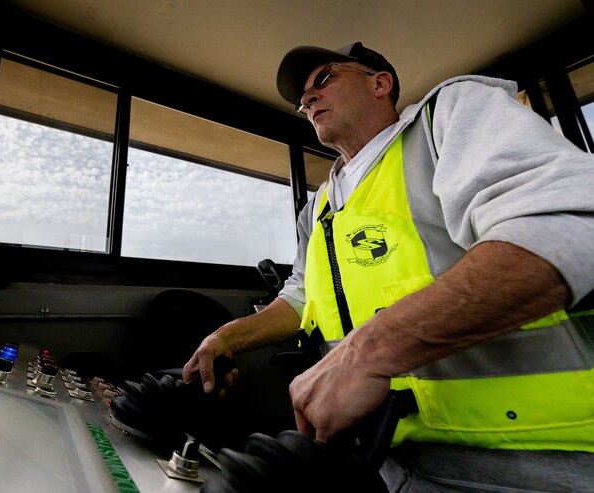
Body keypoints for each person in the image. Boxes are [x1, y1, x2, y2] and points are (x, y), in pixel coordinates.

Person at [183, 41, 594, 491]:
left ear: (380, 83)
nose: (309, 99)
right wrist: (227, 337)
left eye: (323, 79)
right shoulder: (318, 206)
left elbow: (567, 224)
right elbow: (302, 296)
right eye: (302, 100)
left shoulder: (448, 117)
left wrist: (369, 352)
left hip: (535, 460)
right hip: (382, 456)